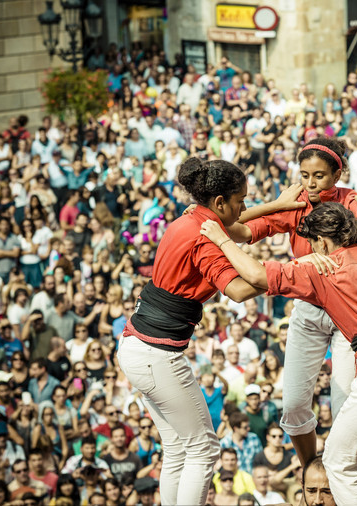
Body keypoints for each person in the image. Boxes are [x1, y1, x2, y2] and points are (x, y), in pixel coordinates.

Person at [200, 202, 357, 505]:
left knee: (337, 462)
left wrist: (222, 240)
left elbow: (257, 277)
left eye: (312, 243)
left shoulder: (322, 270)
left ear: (322, 242)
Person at [220, 137, 357, 467]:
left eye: (319, 176)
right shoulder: (296, 202)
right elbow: (236, 229)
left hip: (348, 315)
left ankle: (342, 474)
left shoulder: (353, 201)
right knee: (294, 404)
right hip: (309, 309)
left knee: (345, 405)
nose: (310, 183)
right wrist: (277, 205)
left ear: (336, 176)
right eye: (305, 175)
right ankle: (312, 471)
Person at [117, 158, 271, 505]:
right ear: (219, 203)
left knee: (177, 447)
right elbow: (241, 291)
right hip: (157, 355)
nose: (244, 206)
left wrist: (278, 205)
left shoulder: (190, 217)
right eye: (241, 200)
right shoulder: (205, 238)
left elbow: (239, 223)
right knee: (204, 449)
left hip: (135, 346)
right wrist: (297, 271)